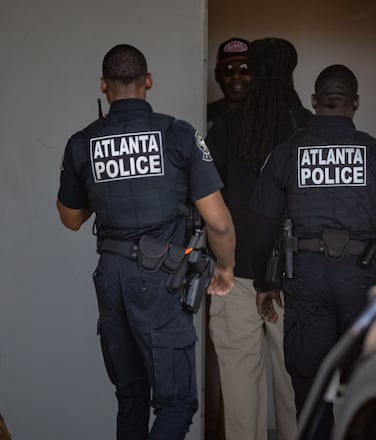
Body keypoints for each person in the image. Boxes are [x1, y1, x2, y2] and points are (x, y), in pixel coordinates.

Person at [56, 44, 236, 440]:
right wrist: (225, 268)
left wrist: (103, 189)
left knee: (131, 397)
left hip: (112, 277)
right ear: (148, 81)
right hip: (161, 279)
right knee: (176, 402)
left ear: (104, 85)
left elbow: (70, 218)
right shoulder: (178, 134)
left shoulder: (83, 142)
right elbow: (218, 221)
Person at [251, 64, 376, 439]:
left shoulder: (285, 154)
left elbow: (262, 229)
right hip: (360, 283)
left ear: (314, 101)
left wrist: (264, 284)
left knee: (311, 394)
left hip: (305, 282)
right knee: (363, 389)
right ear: (356, 102)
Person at [207, 37, 311, 440]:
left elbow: (208, 201)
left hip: (235, 275)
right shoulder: (309, 128)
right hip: (297, 278)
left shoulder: (226, 127)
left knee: (240, 402)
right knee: (297, 396)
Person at [207, 37, 251, 129]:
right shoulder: (204, 114)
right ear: (217, 75)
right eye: (228, 69)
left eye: (244, 69)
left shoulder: (268, 113)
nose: (236, 76)